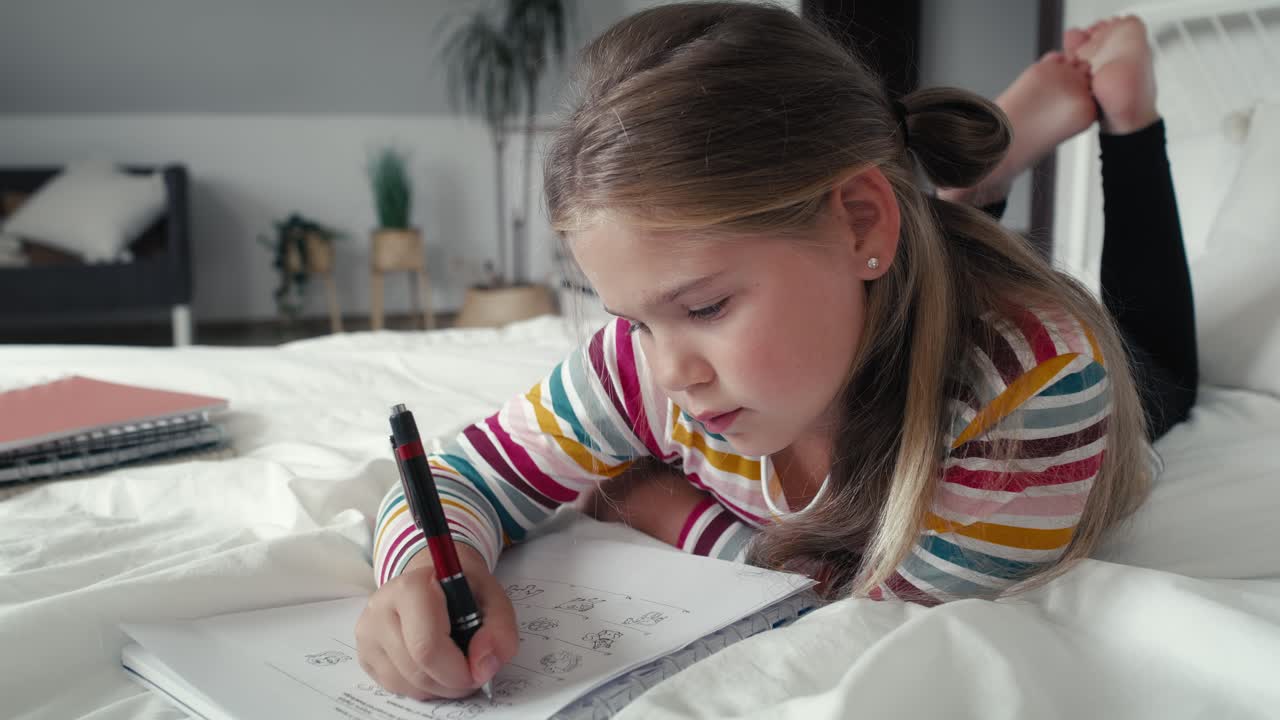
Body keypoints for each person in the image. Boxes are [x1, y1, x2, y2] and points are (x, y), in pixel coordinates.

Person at [355, 4, 1197, 701]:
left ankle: (1125, 116)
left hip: (1089, 376)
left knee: (1162, 372)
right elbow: (458, 474)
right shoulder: (642, 362)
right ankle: (954, 188)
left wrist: (669, 512)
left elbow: (871, 631)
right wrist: (430, 570)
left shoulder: (1031, 386)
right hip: (875, 247)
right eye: (634, 318)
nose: (670, 372)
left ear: (862, 222)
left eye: (706, 306)